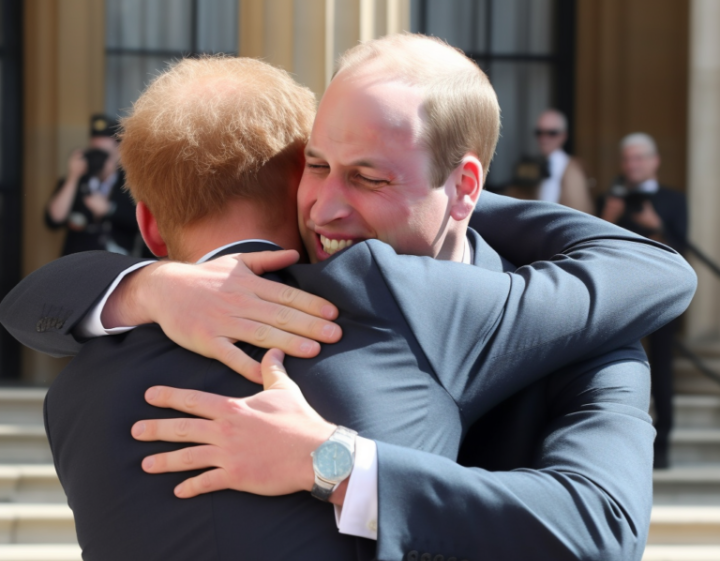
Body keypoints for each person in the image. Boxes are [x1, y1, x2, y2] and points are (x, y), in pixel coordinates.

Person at [0, 39, 695, 560]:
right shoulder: (341, 295)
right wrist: (147, 284)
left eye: (367, 176)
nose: (327, 206)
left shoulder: (77, 388)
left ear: (464, 187)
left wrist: (333, 462)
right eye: (319, 166)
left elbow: (601, 527)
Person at [599, 132, 689, 469]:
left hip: (662, 297)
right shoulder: (611, 198)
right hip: (620, 298)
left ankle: (662, 445)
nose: (632, 165)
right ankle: (617, 446)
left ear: (654, 161)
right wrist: (608, 214)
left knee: (662, 372)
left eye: (639, 158)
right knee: (616, 370)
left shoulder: (674, 200)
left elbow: (683, 252)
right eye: (628, 159)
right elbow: (593, 247)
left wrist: (657, 225)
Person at [45, 114, 139, 256]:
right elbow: (54, 219)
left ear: (119, 151)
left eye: (104, 154)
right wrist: (73, 177)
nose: (99, 160)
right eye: (94, 153)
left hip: (116, 263)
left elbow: (139, 222)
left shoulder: (130, 183)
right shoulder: (77, 180)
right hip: (77, 262)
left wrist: (110, 209)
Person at [534, 109, 593, 213]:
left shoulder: (574, 169)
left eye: (552, 133)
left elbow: (581, 210)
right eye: (539, 133)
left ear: (564, 135)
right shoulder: (533, 166)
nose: (544, 139)